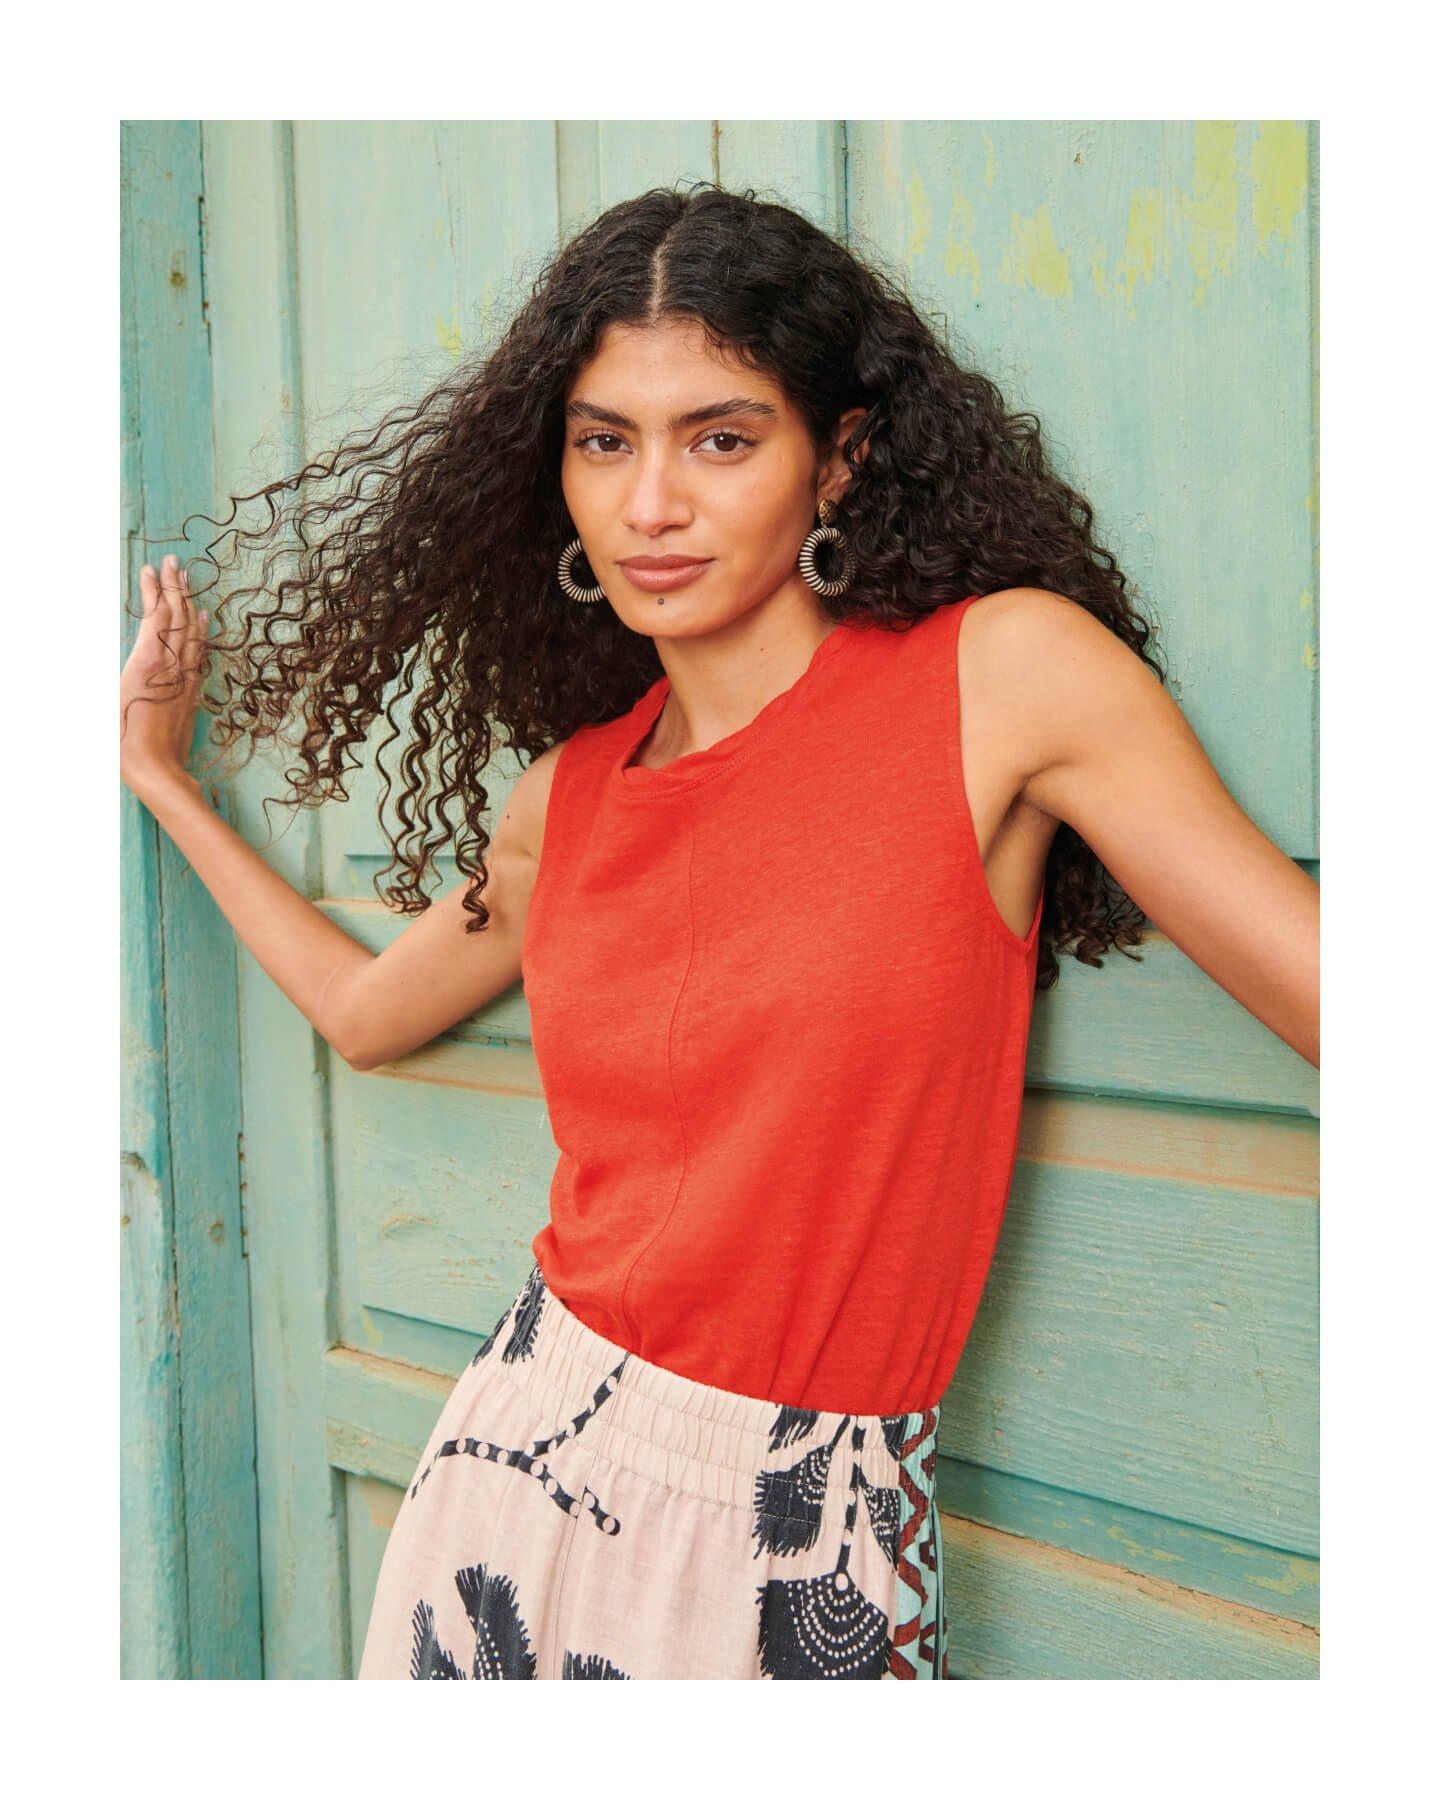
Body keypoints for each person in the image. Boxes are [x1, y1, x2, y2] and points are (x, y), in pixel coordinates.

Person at [119, 183, 1319, 1680]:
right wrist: (160, 784)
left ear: (841, 458)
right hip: (510, 1469)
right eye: (604, 439)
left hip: (804, 1528)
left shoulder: (1002, 683)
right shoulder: (571, 796)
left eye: (723, 437)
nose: (651, 506)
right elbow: (365, 1012)